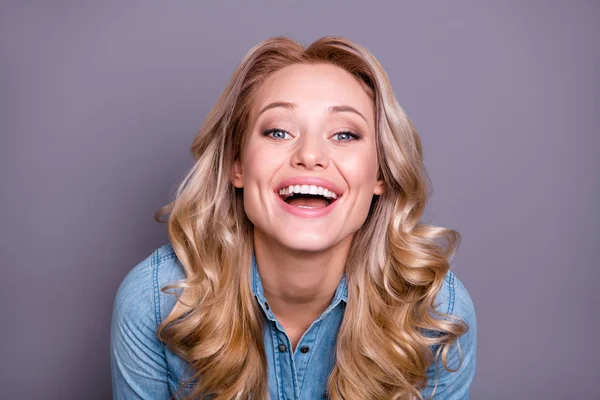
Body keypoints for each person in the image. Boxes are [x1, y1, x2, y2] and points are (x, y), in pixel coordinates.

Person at [110, 35, 476, 400]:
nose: (310, 154)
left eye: (345, 134)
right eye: (279, 131)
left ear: (380, 173)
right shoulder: (156, 302)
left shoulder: (436, 313)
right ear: (236, 165)